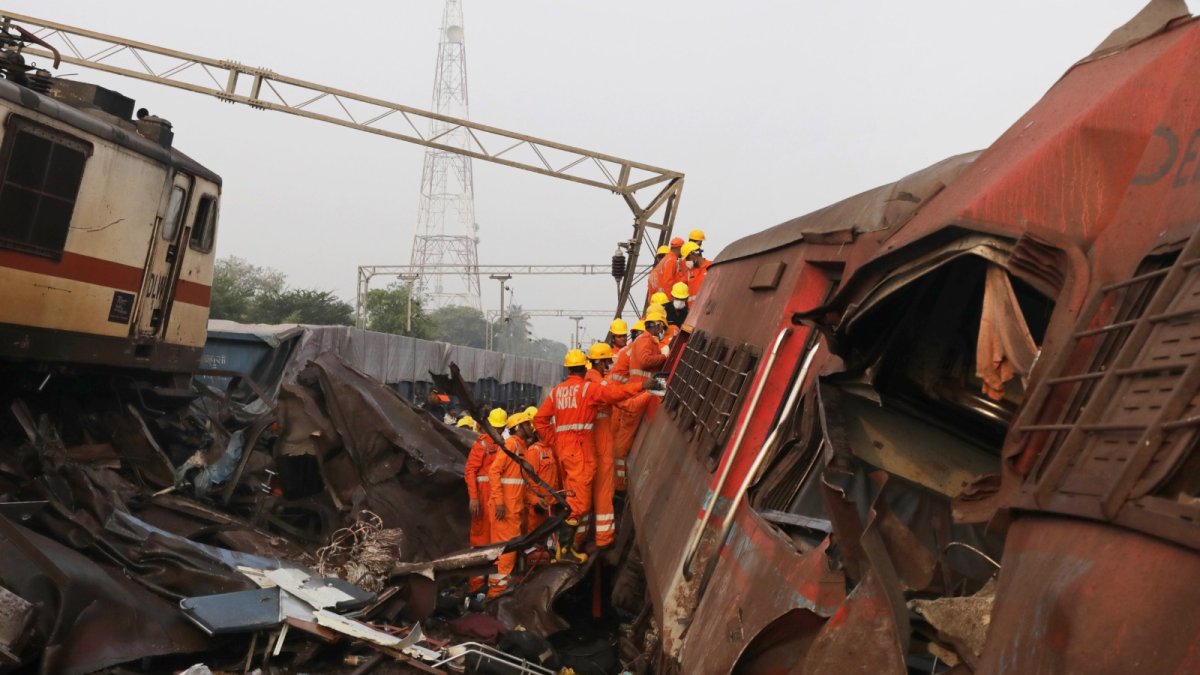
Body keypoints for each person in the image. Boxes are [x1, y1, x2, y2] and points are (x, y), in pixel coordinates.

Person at [533, 349, 656, 562]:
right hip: (581, 450)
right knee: (579, 503)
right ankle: (564, 551)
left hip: (565, 451)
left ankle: (566, 548)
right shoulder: (587, 389)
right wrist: (642, 386)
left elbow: (539, 420)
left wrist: (554, 442)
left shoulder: (556, 392)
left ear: (568, 368)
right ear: (584, 367)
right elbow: (615, 395)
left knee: (574, 496)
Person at [611, 307, 670, 490]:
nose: (661, 331)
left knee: (625, 439)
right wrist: (663, 356)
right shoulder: (645, 340)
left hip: (639, 391)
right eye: (661, 327)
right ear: (657, 325)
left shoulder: (642, 340)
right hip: (639, 393)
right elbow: (645, 361)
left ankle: (619, 483)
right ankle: (619, 485)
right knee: (622, 444)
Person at [487, 411, 530, 598]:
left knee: (508, 553)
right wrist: (499, 502)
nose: (531, 427)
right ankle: (495, 594)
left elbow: (522, 482)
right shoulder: (511, 445)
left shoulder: (521, 447)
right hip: (505, 510)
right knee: (505, 553)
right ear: (518, 427)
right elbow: (494, 472)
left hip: (513, 509)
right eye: (527, 424)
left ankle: (499, 591)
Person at [584, 342, 622, 549]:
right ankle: (604, 539)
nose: (608, 364)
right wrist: (643, 391)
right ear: (598, 362)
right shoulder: (599, 385)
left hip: (591, 444)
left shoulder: (588, 382)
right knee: (604, 491)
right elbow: (621, 400)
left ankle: (584, 539)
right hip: (602, 443)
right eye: (606, 361)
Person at [464, 408, 506, 592]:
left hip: (495, 497)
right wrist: (474, 497)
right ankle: (476, 586)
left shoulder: (502, 444)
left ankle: (488, 587)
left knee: (495, 540)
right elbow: (470, 470)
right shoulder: (482, 444)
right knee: (480, 540)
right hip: (483, 496)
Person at [646, 236, 686, 301]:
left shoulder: (663, 263)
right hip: (664, 300)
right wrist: (670, 301)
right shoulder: (671, 260)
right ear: (679, 248)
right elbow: (668, 282)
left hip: (655, 302)